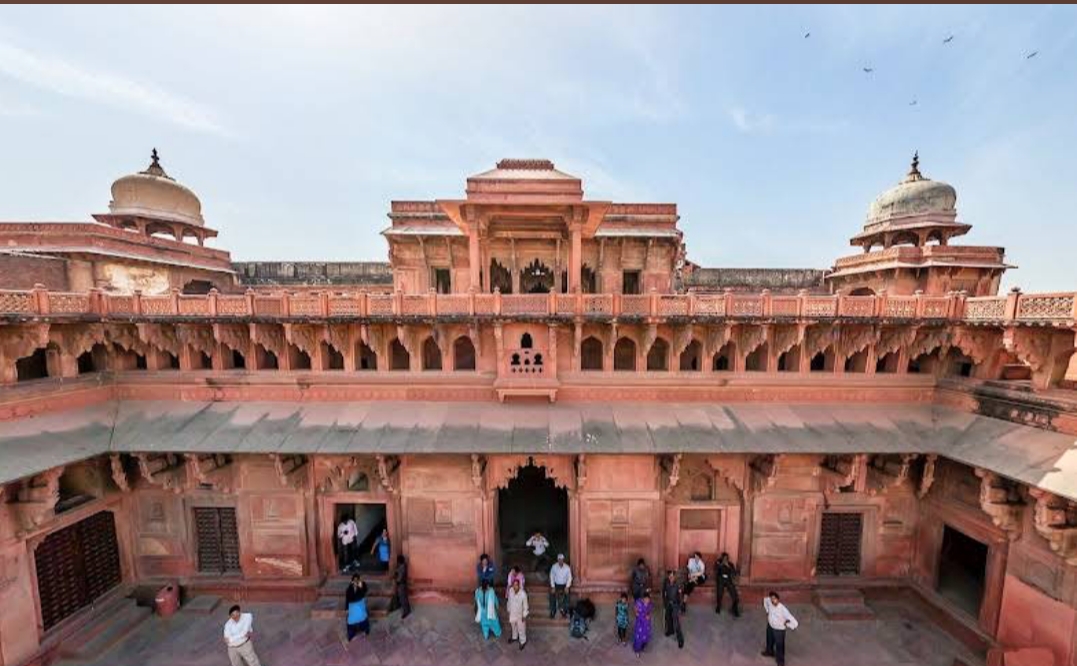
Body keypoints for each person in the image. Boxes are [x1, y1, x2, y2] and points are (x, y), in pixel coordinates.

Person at [762, 591, 798, 666]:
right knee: (769, 640)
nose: (773, 601)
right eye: (772, 599)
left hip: (779, 630)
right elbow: (765, 600)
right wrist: (767, 611)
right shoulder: (769, 601)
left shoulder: (783, 609)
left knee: (779, 646)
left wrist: (787, 624)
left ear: (778, 599)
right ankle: (769, 652)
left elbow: (795, 623)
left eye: (774, 599)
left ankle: (780, 661)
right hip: (770, 626)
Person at [661, 570, 684, 649]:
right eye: (670, 576)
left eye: (672, 576)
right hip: (668, 603)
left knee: (676, 622)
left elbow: (680, 596)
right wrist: (664, 602)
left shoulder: (678, 584)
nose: (671, 578)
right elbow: (663, 592)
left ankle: (680, 639)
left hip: (675, 604)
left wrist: (680, 606)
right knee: (668, 618)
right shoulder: (666, 583)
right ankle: (670, 630)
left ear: (674, 577)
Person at [345, 574, 370, 640]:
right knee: (351, 621)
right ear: (352, 581)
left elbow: (364, 592)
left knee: (363, 619)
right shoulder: (349, 589)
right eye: (354, 580)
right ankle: (351, 633)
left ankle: (365, 629)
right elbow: (347, 599)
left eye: (357, 580)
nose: (355, 582)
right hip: (352, 607)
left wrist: (361, 586)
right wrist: (346, 609)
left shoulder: (362, 585)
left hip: (360, 606)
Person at [715, 552, 741, 617]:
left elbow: (734, 573)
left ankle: (735, 609)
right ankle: (718, 606)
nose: (725, 559)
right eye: (724, 558)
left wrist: (728, 566)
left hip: (728, 580)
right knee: (719, 592)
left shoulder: (730, 564)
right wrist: (721, 565)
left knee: (734, 593)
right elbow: (716, 570)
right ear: (722, 558)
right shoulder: (718, 563)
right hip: (721, 579)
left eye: (726, 558)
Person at [506, 578, 529, 650]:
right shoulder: (510, 591)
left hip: (520, 615)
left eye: (516, 585)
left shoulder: (523, 594)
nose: (515, 586)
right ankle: (514, 637)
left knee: (521, 628)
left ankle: (523, 641)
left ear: (519, 585)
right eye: (514, 585)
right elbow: (509, 601)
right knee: (513, 627)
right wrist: (508, 610)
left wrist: (524, 615)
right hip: (512, 613)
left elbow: (525, 606)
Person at [548, 553, 573, 618]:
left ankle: (564, 610)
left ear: (563, 560)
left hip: (564, 585)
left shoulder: (567, 567)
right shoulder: (554, 567)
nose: (560, 561)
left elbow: (569, 577)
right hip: (556, 585)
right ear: (557, 560)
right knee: (552, 594)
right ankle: (553, 610)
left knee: (567, 595)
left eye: (561, 559)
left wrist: (567, 586)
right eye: (559, 559)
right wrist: (553, 587)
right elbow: (551, 576)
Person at [632, 590, 653, 657]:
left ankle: (642, 647)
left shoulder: (650, 604)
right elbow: (635, 609)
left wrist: (649, 615)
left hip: (646, 623)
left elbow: (650, 612)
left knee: (645, 636)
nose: (647, 600)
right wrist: (636, 613)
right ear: (643, 598)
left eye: (648, 599)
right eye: (645, 599)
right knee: (638, 637)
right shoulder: (638, 602)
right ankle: (637, 650)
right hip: (640, 622)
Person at [391, 554, 411, 619]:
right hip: (401, 585)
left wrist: (395, 579)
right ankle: (406, 609)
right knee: (403, 598)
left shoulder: (402, 568)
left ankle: (406, 612)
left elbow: (400, 578)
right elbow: (397, 571)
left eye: (398, 561)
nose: (397, 562)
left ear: (399, 561)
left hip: (401, 585)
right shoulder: (402, 565)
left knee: (403, 599)